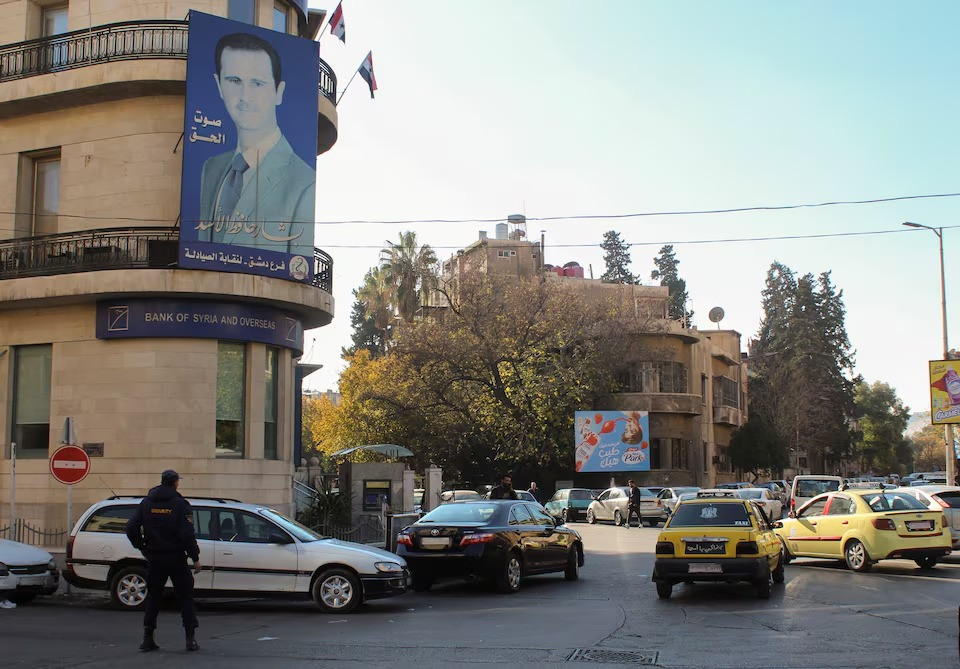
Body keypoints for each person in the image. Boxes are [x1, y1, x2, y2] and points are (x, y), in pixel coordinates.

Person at [196, 32, 315, 257]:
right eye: (234, 81)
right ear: (219, 85)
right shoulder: (212, 168)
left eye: (257, 83)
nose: (245, 96)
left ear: (278, 92)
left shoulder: (304, 183)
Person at [126, 470, 201, 652]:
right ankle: (190, 639)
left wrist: (142, 547)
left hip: (155, 557)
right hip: (176, 557)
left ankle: (147, 638)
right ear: (175, 483)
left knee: (153, 597)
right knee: (185, 597)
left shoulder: (146, 503)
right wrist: (195, 557)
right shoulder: (180, 504)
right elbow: (187, 534)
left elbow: (131, 527)